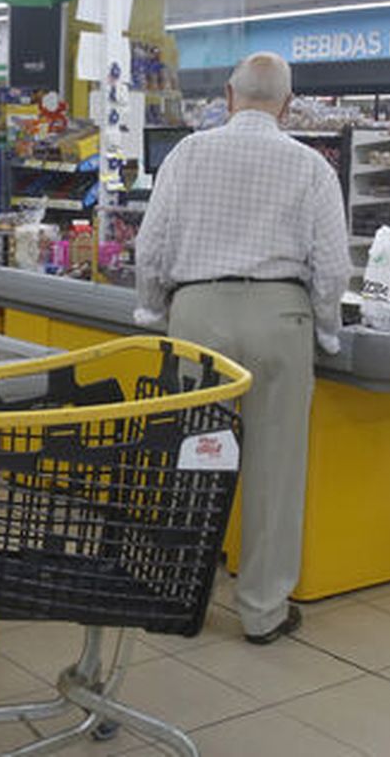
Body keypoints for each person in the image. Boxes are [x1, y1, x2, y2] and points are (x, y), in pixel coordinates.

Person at [133, 52, 350, 646]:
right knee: (275, 471)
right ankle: (262, 611)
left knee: (193, 458)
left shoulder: (187, 154)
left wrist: (153, 310)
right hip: (281, 318)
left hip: (198, 316)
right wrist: (327, 329)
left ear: (229, 97)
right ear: (287, 105)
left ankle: (182, 597)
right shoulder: (311, 166)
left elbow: (151, 247)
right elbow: (333, 267)